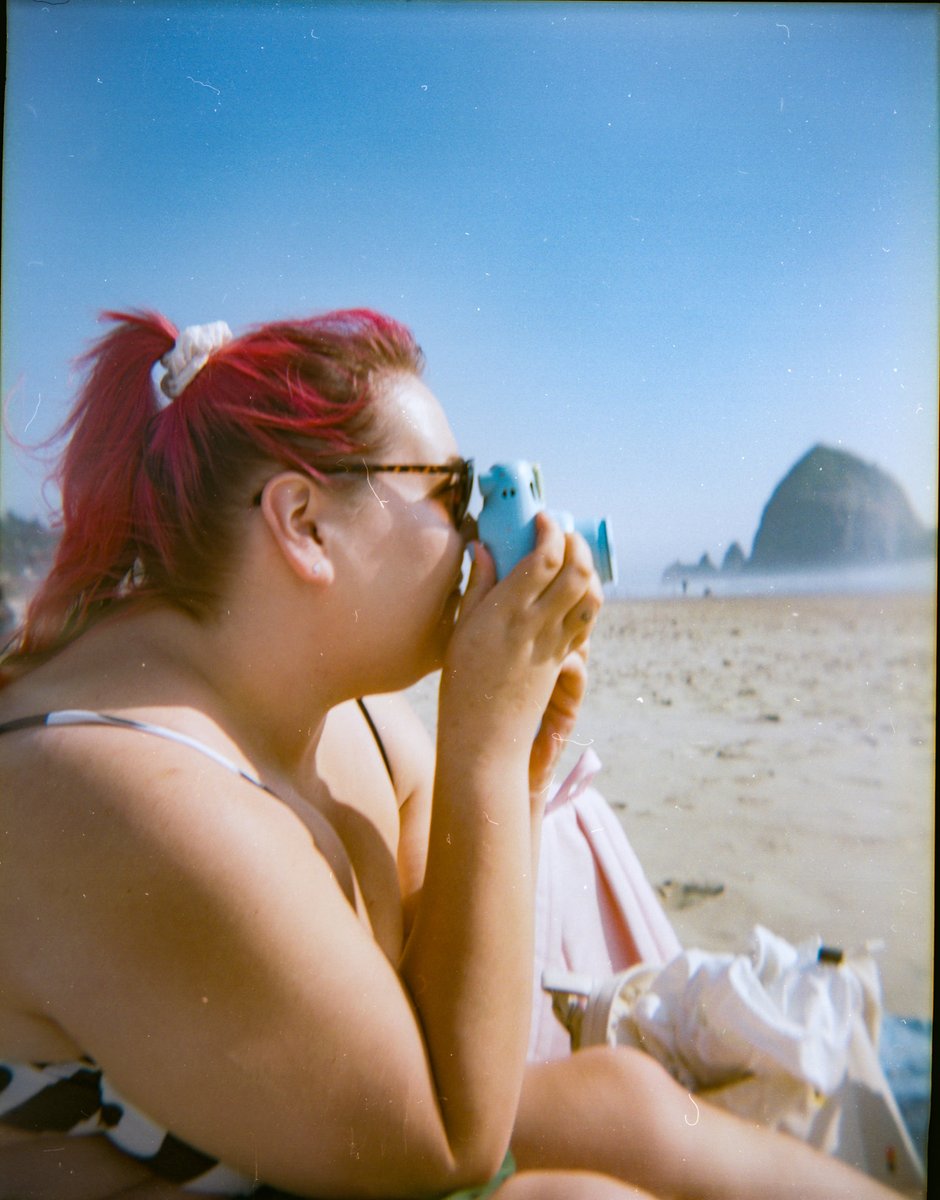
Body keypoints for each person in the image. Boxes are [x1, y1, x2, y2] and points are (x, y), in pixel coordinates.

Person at [0, 310, 901, 1200]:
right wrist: (484, 755)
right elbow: (446, 1142)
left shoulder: (357, 720)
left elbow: (458, 1024)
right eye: (451, 491)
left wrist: (520, 762)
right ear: (304, 523)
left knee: (625, 1103)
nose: (477, 535)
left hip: (334, 1145)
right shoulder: (127, 789)